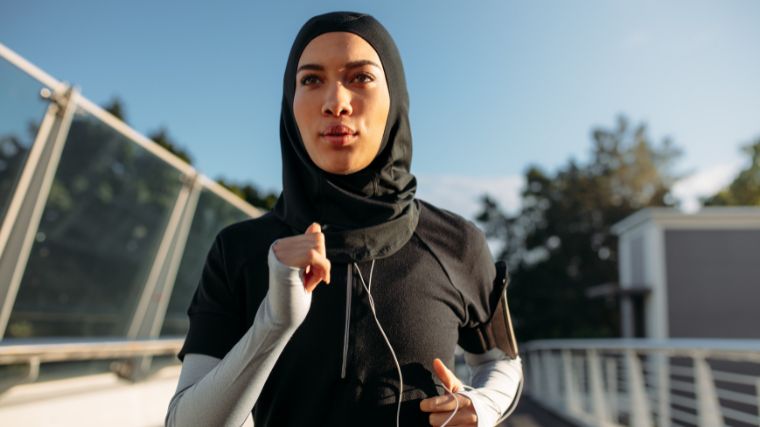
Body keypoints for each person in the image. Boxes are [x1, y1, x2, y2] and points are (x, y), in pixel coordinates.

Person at [165, 11, 522, 427]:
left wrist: (484, 405)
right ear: (289, 102)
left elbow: (502, 361)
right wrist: (274, 323)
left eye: (361, 77)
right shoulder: (239, 249)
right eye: (311, 80)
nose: (336, 103)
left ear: (396, 98)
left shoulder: (458, 243)